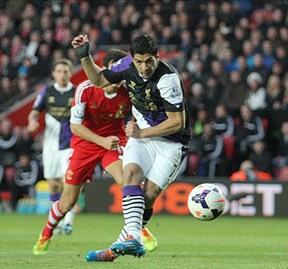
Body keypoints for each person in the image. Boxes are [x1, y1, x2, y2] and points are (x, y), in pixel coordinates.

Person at [72, 34, 190, 261]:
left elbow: (177, 122)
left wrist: (141, 132)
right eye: (138, 61)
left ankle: (116, 248)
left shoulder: (168, 78)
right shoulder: (126, 64)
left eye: (148, 61)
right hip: (142, 138)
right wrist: (84, 55)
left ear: (157, 56)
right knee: (130, 174)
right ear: (132, 58)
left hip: (172, 142)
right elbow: (98, 80)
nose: (144, 67)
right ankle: (133, 240)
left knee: (149, 195)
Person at [32, 50, 133, 255]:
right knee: (67, 201)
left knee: (128, 180)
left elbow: (138, 117)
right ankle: (46, 233)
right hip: (85, 144)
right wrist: (101, 141)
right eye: (114, 70)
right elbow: (76, 127)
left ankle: (138, 230)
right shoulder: (85, 88)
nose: (118, 75)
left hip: (113, 143)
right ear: (104, 70)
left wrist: (135, 129)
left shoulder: (129, 91)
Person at [27, 59, 77, 234]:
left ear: (71, 73)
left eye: (66, 71)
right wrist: (32, 121)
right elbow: (34, 112)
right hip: (50, 146)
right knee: (54, 185)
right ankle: (56, 221)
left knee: (69, 183)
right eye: (59, 71)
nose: (63, 74)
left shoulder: (77, 92)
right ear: (54, 73)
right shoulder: (46, 91)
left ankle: (68, 222)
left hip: (70, 145)